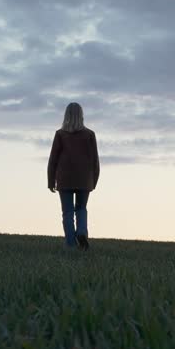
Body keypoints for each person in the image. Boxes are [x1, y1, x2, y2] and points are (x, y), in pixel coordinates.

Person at [47, 102, 100, 250]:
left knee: (67, 212)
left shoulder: (60, 134)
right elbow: (95, 160)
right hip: (85, 179)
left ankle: (71, 244)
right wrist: (94, 181)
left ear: (66, 115)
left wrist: (51, 181)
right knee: (81, 208)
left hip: (64, 179)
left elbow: (53, 159)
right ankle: (82, 232)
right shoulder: (89, 134)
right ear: (81, 115)